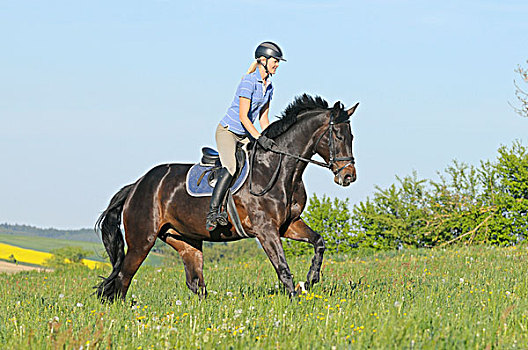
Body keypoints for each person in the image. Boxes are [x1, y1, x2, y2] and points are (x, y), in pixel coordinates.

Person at [205, 41, 286, 231]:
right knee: (231, 168)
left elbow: (263, 118)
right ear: (263, 60)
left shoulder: (269, 87)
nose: (277, 65)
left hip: (247, 133)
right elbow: (243, 117)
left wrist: (271, 139)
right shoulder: (248, 82)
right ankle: (213, 211)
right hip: (228, 132)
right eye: (275, 61)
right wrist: (259, 138)